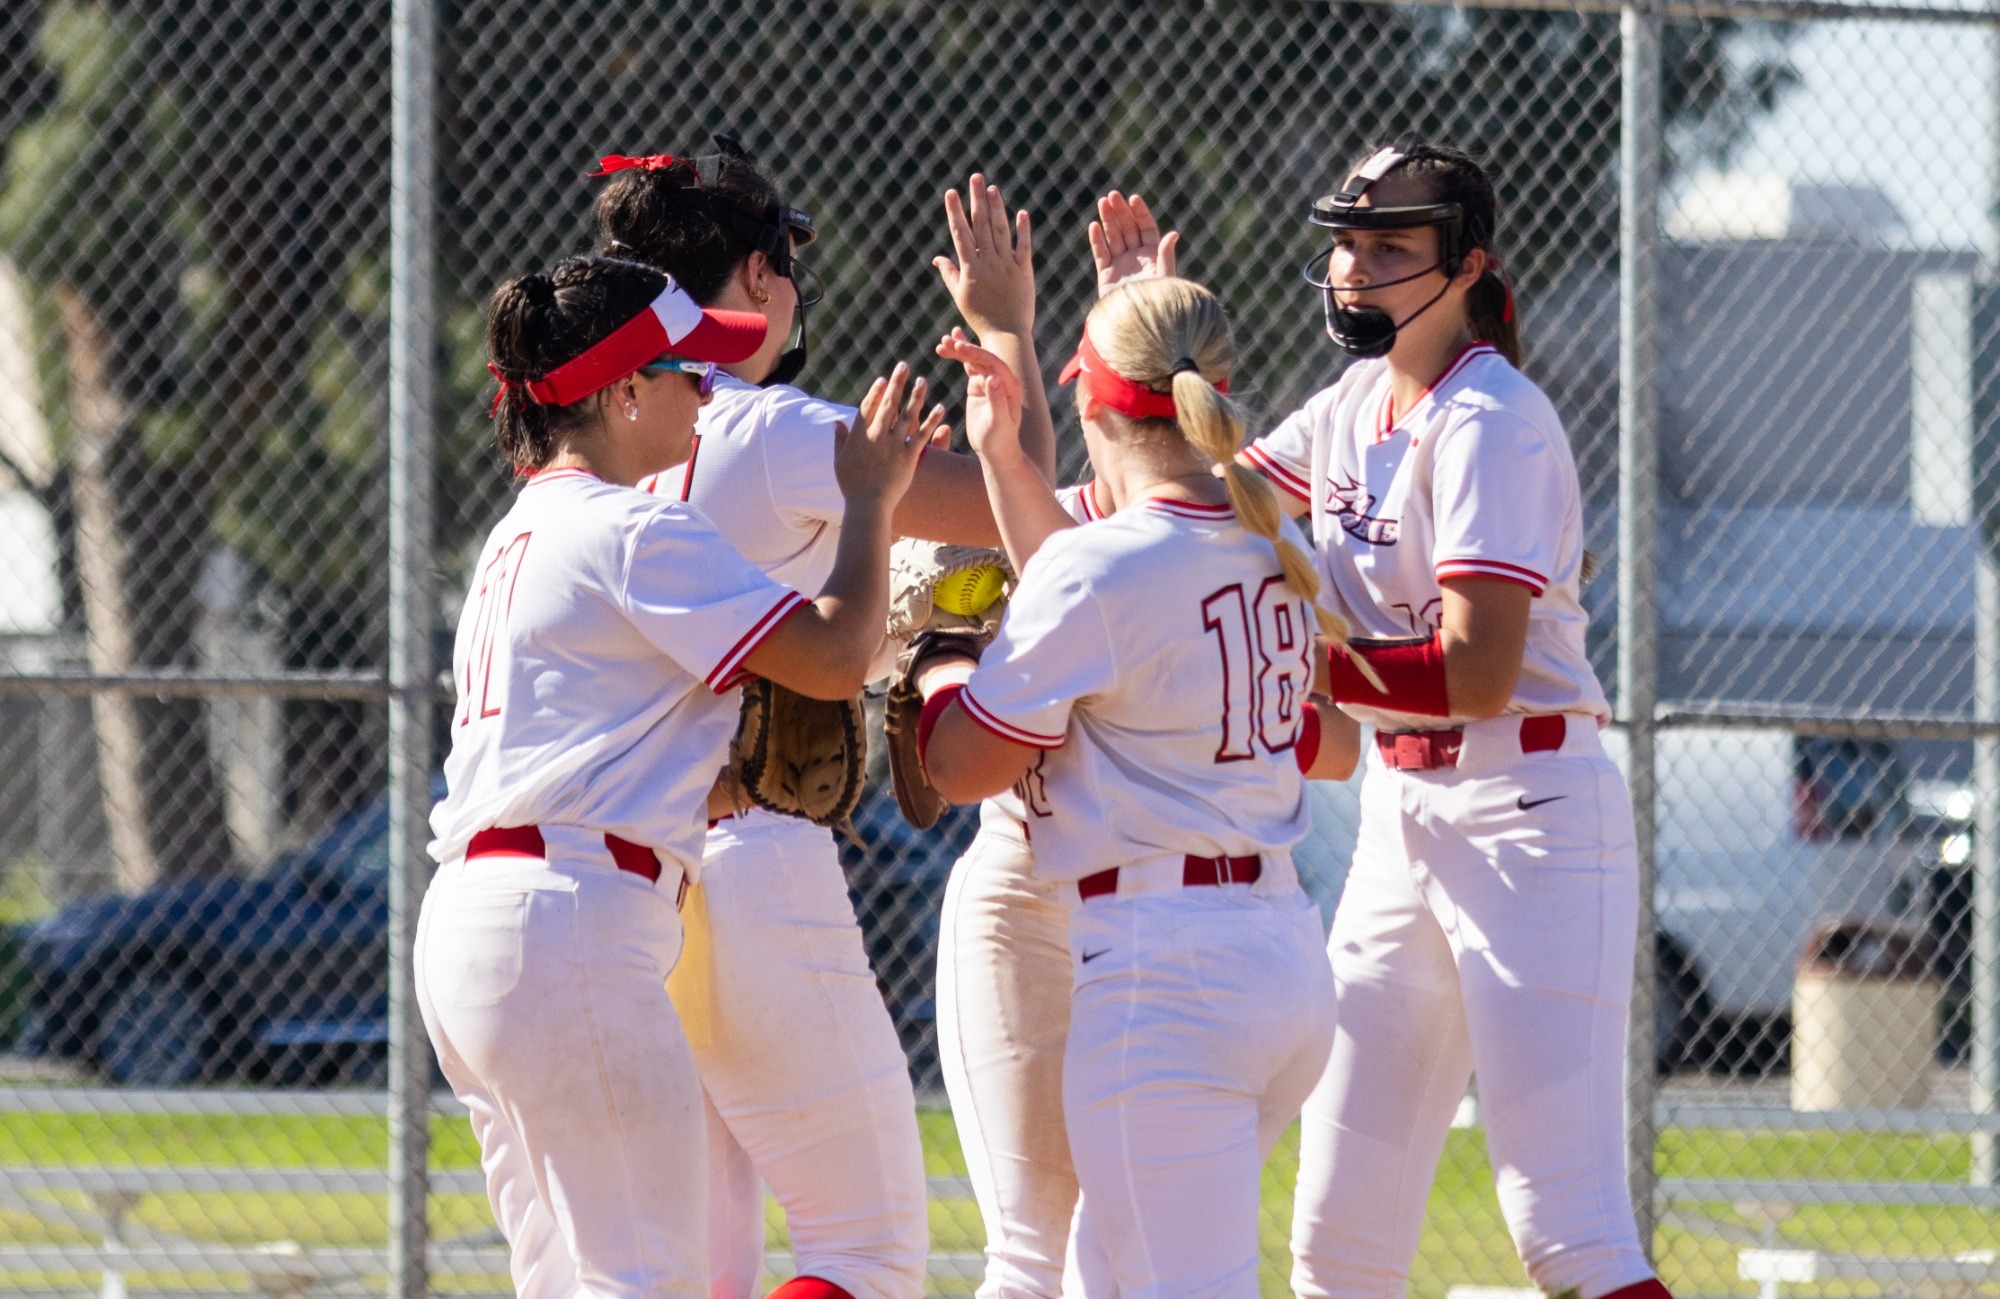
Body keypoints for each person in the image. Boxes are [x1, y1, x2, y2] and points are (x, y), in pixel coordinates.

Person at [1191, 138, 1667, 1299]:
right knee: (1335, 1246)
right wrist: (968, 484)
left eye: (1390, 245)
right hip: (1401, 814)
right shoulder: (1354, 401)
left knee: (1566, 1236)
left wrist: (1301, 663)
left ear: (1466, 268)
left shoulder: (1488, 419)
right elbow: (1187, 503)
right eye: (1346, 242)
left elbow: (1477, 674)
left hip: (1527, 817)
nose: (1354, 268)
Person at [588, 143, 1057, 1299]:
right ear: (755, 276)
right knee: (868, 1250)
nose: (792, 288)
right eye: (783, 263)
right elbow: (1018, 509)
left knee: (702, 1267)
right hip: (756, 864)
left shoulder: (600, 442)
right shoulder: (771, 429)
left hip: (637, 873)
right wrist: (1004, 330)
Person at [416, 254, 929, 1299]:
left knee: (566, 1282)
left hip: (475, 927)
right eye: (688, 370)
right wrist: (870, 501)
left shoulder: (516, 533)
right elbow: (832, 659)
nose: (709, 391)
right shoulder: (634, 526)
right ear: (623, 391)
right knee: (644, 1280)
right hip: (572, 928)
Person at [915, 276, 1354, 1298]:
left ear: (1090, 406)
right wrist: (998, 462)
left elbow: (958, 766)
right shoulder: (1274, 545)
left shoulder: (1106, 567)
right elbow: (1098, 599)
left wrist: (937, 661)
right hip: (1280, 952)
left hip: (1168, 975)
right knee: (1097, 1276)